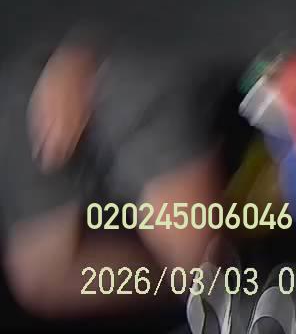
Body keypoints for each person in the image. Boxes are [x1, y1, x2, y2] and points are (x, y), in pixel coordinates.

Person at [0, 30, 229, 318]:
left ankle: (210, 279)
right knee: (41, 275)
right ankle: (192, 277)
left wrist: (77, 50)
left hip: (107, 31)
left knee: (200, 267)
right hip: (17, 72)